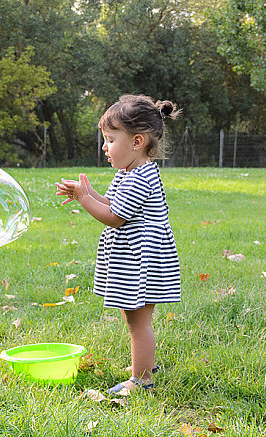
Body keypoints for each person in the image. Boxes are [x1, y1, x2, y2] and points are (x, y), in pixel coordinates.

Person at [55, 95, 181, 395]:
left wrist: (85, 199)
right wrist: (86, 193)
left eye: (110, 140)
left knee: (138, 321)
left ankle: (142, 380)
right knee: (134, 318)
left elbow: (115, 217)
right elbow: (113, 202)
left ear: (136, 141)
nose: (104, 147)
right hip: (134, 258)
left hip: (143, 262)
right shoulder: (128, 173)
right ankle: (144, 364)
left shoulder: (142, 178)